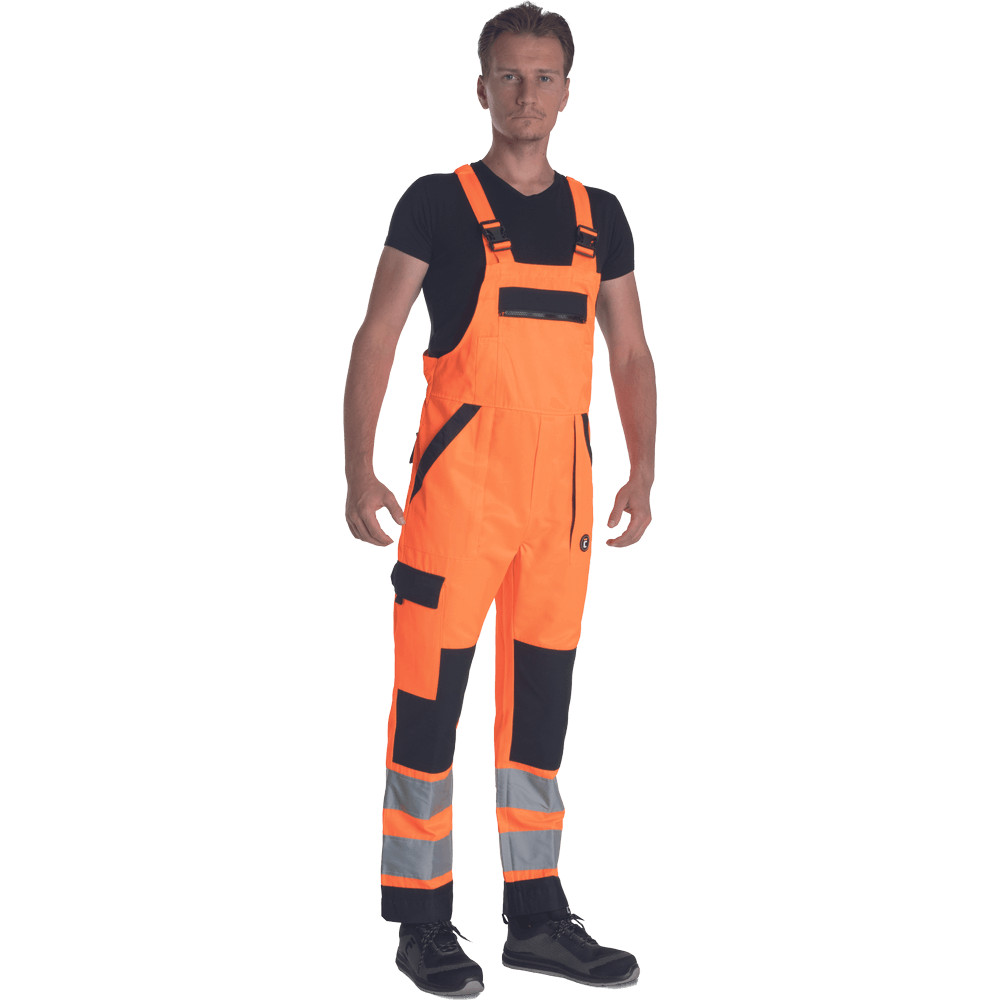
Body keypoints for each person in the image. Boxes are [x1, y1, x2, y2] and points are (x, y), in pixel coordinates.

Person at [344, 3, 656, 994]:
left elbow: (630, 351)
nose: (527, 94)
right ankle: (421, 921)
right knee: (427, 707)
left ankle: (536, 914)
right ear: (481, 87)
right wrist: (359, 470)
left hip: (561, 505)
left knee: (539, 712)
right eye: (509, 76)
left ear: (567, 90)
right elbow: (377, 335)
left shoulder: (600, 217)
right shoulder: (436, 204)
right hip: (458, 497)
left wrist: (643, 471)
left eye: (544, 77)